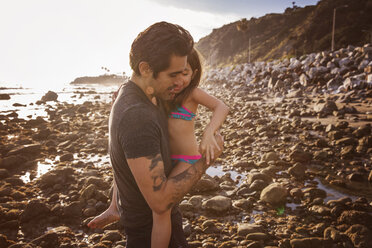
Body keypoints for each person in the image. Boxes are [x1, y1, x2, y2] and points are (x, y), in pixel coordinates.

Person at [89, 22, 225, 248]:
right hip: (149, 234)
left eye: (185, 72)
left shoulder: (135, 92)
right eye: (173, 74)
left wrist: (116, 205)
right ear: (145, 69)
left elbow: (123, 159)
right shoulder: (137, 115)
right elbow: (161, 203)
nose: (179, 83)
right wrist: (207, 158)